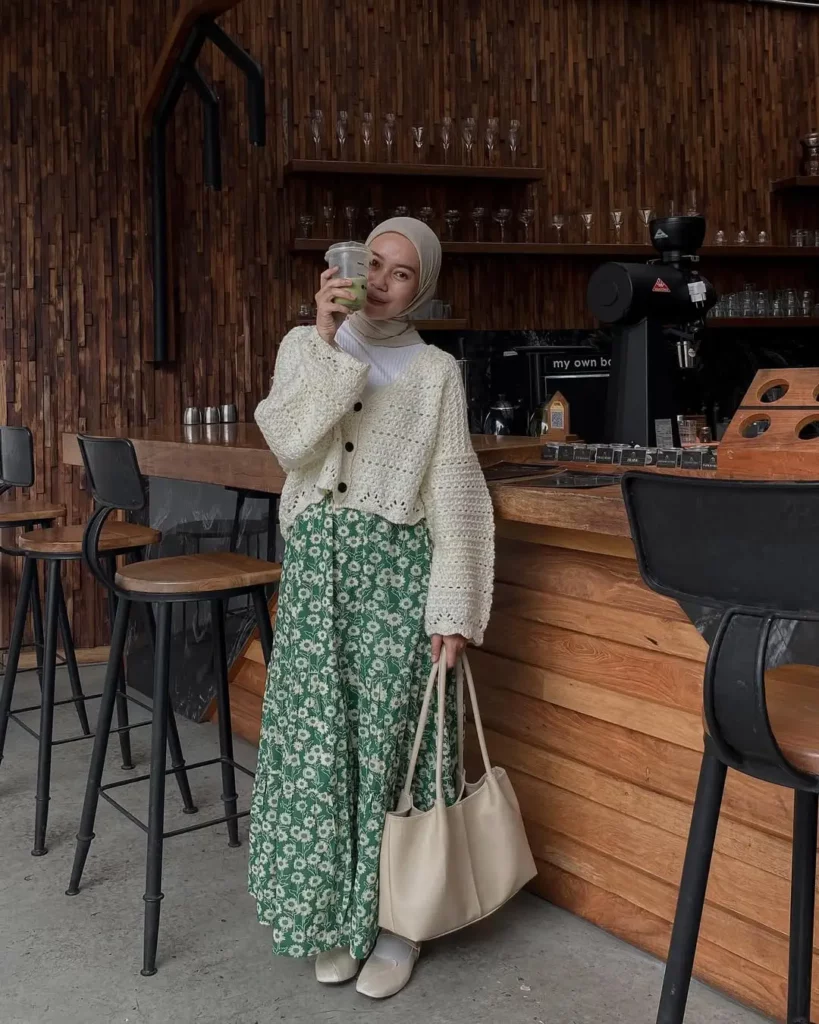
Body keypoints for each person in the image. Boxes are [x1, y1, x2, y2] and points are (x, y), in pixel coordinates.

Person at [248, 217, 494, 999]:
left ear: (420, 288)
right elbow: (290, 446)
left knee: (400, 746)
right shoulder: (305, 349)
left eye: (399, 273)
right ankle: (333, 918)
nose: (380, 282)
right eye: (370, 265)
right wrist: (324, 337)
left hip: (396, 577)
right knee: (320, 748)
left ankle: (397, 925)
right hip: (319, 573)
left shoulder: (436, 372)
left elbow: (453, 489)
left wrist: (452, 607)